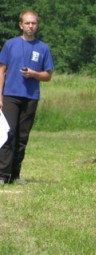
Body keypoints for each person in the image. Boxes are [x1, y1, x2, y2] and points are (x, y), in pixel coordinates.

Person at [0, 10, 54, 185]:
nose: (31, 26)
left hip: (31, 97)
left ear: (37, 25)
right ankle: (3, 174)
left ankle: (15, 175)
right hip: (10, 95)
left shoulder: (43, 48)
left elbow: (47, 75)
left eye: (34, 23)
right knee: (9, 134)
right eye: (27, 23)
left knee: (23, 137)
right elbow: (1, 70)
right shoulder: (10, 45)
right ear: (21, 25)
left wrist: (33, 74)